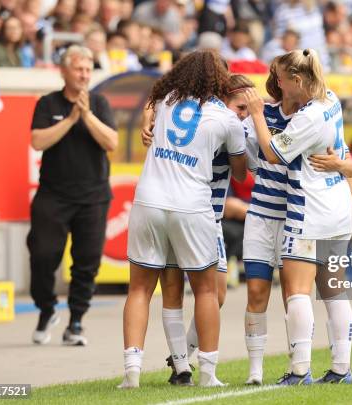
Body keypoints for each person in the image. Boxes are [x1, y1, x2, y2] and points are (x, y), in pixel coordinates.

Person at [120, 50, 246, 389]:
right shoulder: (227, 119)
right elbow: (240, 172)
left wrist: (149, 124)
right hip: (192, 206)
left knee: (141, 289)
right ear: (220, 80)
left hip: (149, 200)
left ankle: (132, 372)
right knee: (205, 291)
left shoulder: (167, 100)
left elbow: (153, 97)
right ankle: (206, 372)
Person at [243, 48, 352, 385]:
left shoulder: (308, 117)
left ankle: (299, 370)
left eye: (281, 78)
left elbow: (273, 154)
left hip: (311, 211)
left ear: (296, 80)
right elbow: (346, 160)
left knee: (297, 290)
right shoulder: (331, 99)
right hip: (338, 208)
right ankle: (341, 369)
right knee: (334, 290)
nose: (275, 83)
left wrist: (258, 116)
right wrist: (341, 165)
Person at [28, 45, 118, 346]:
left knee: (87, 262)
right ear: (64, 71)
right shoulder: (47, 103)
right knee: (42, 256)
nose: (84, 75)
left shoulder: (100, 102)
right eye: (79, 69)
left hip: (93, 196)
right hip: (53, 195)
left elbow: (111, 142)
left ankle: (76, 321)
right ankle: (46, 308)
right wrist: (68, 120)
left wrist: (86, 115)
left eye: (88, 69)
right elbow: (38, 141)